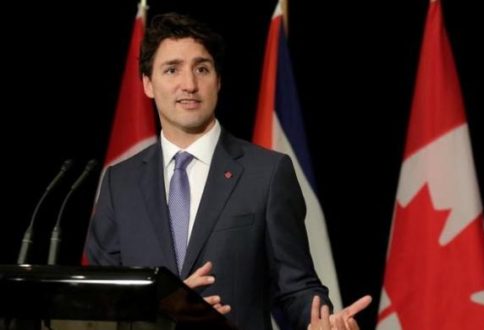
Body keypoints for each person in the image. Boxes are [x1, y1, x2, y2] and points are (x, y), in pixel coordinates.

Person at [85, 12, 370, 330]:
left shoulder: (267, 173)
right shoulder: (119, 183)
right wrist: (162, 307)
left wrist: (323, 322)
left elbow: (297, 288)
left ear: (218, 81)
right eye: (172, 69)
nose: (189, 84)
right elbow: (101, 302)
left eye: (202, 69)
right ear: (148, 84)